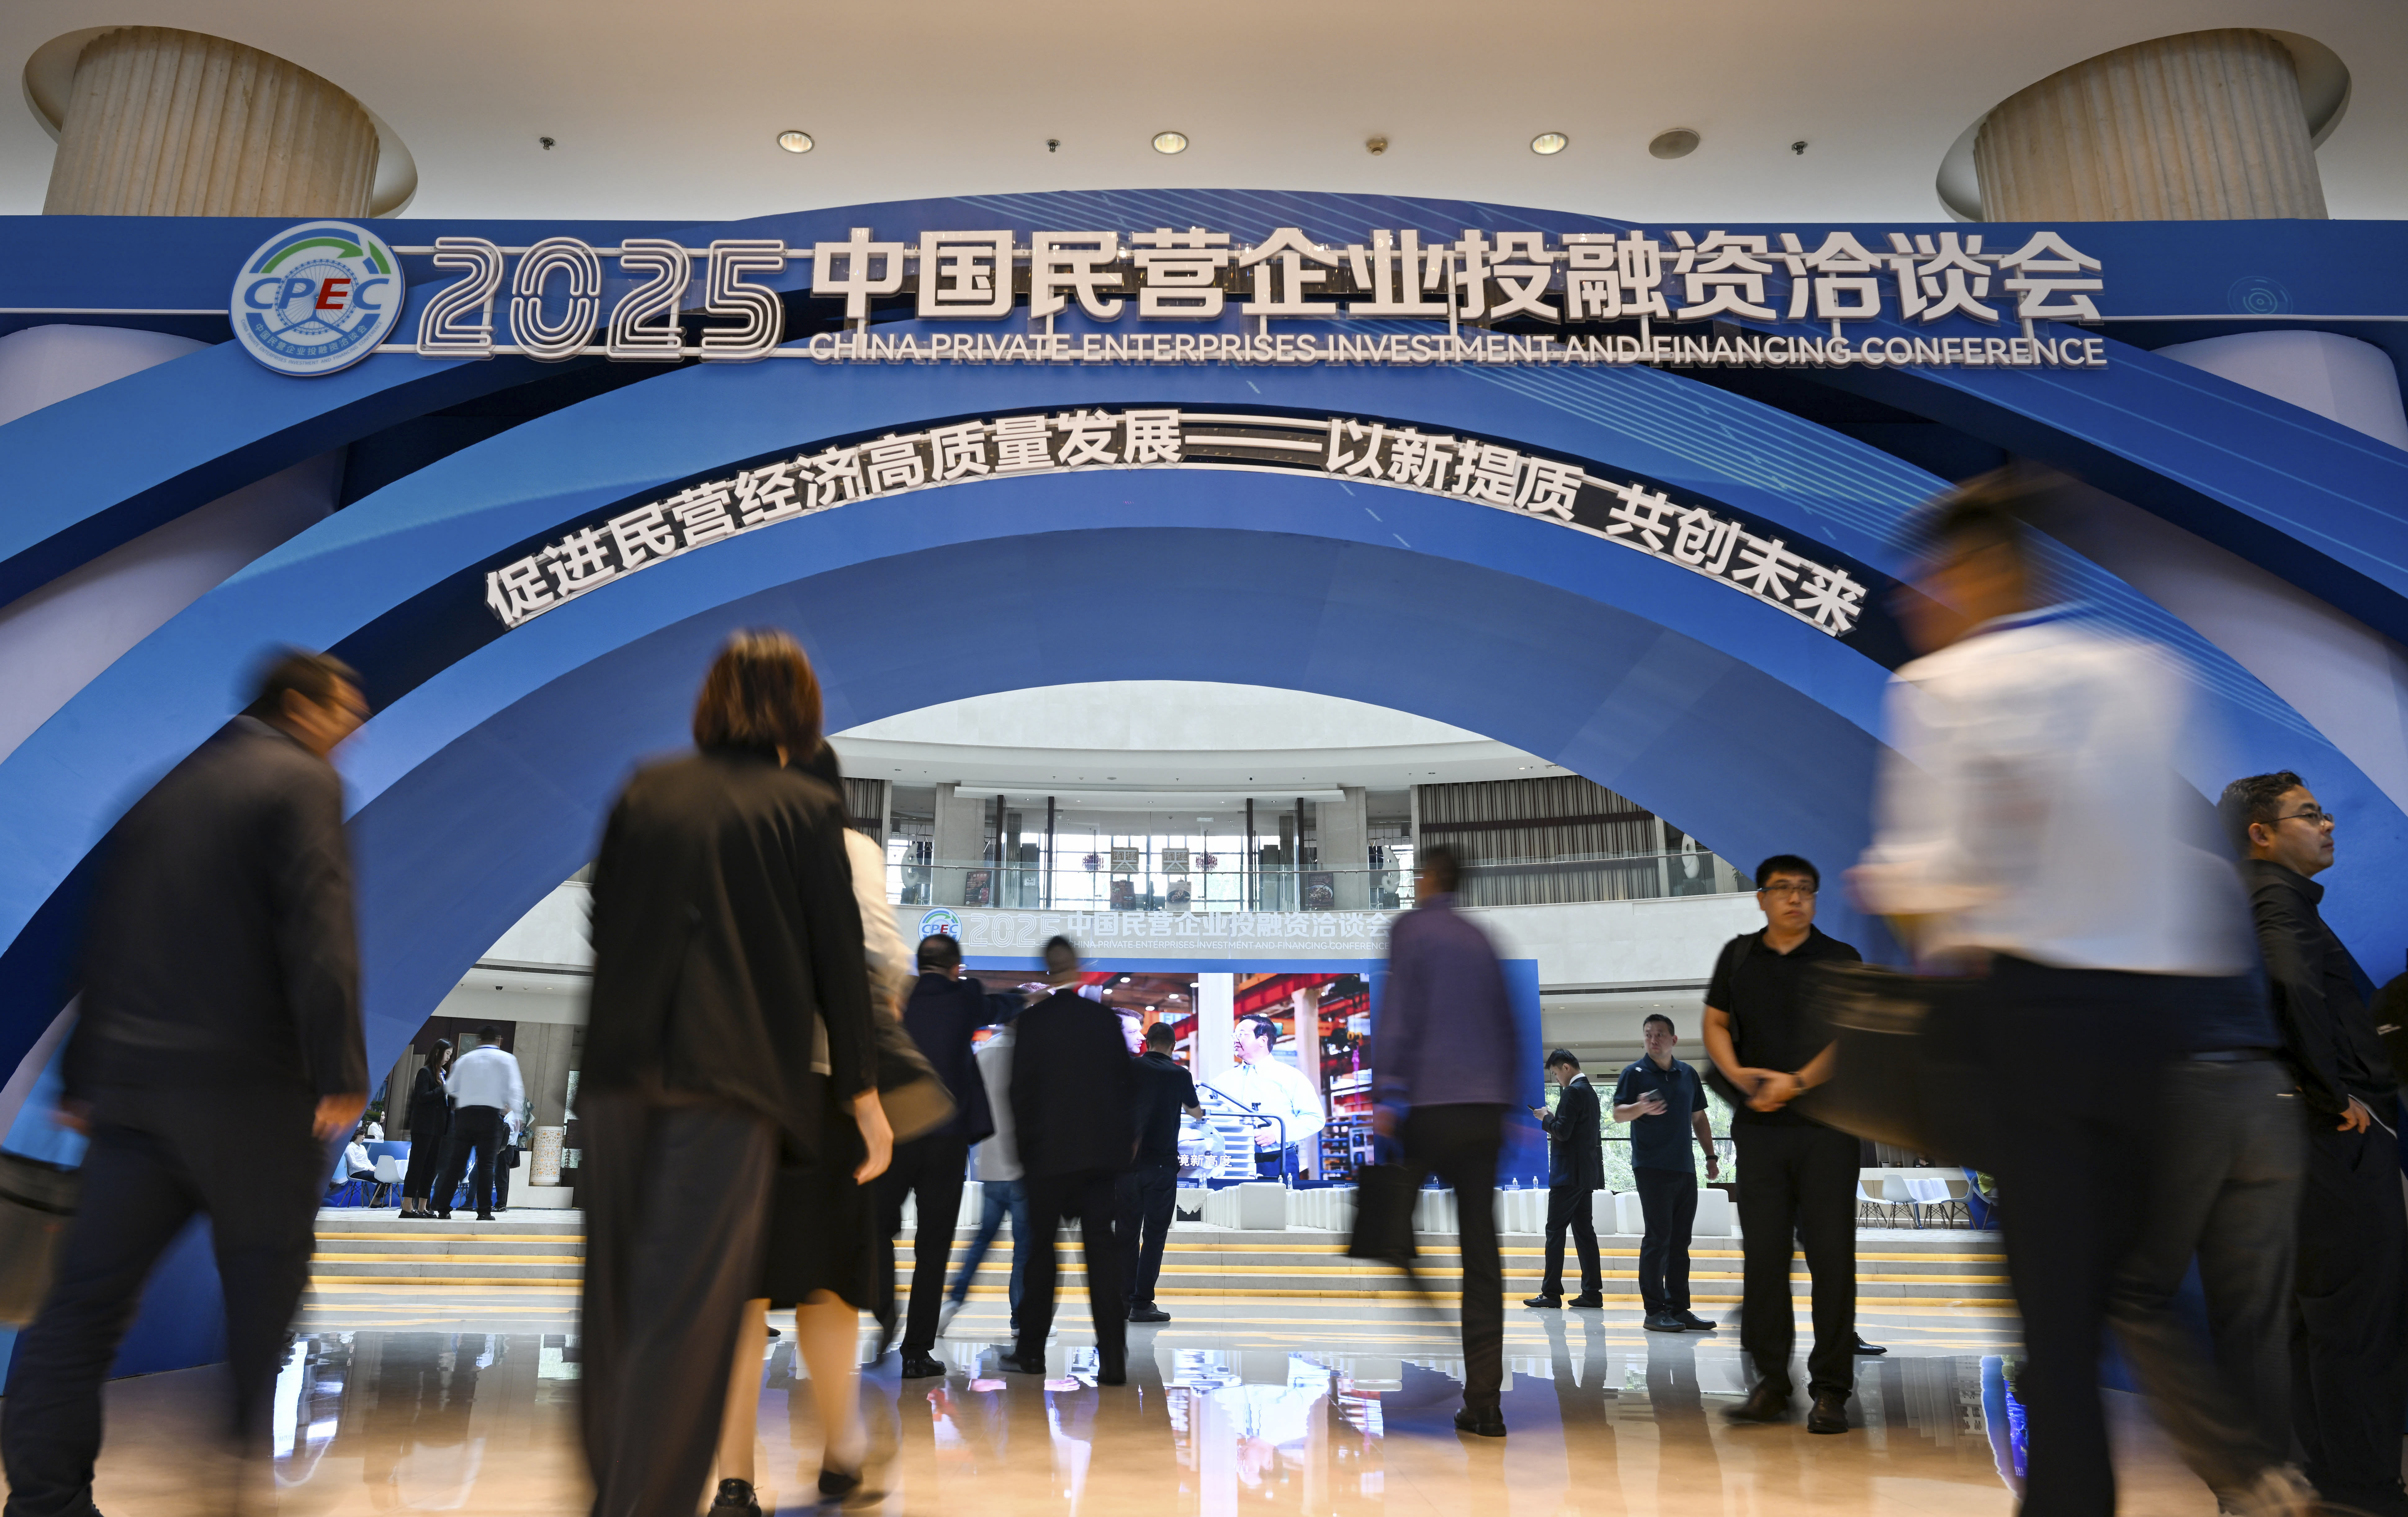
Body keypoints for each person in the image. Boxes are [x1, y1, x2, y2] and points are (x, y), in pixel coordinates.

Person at [1850, 476, 2260, 1517]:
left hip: (2032, 1023)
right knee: (2132, 1284)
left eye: (1934, 576)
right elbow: (2188, 873)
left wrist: (1888, 884)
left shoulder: (1947, 686)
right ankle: (2255, 1469)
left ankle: (2075, 1498)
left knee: (2056, 1312)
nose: (1920, 599)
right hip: (2157, 1025)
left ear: (1985, 567)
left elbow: (1943, 869)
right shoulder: (2146, 675)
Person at [1, 649, 371, 1516]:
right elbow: (318, 925)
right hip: (250, 1092)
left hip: (133, 1094)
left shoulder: (164, 790)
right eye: (344, 709)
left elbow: (100, 935)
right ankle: (233, 1488)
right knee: (263, 1294)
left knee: (82, 1306)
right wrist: (340, 1067)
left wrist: (84, 1076)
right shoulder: (301, 782)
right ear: (300, 707)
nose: (352, 727)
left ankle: (46, 1498)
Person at [579, 630, 887, 1517]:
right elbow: (841, 961)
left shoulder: (646, 787)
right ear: (800, 710)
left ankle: (618, 1493)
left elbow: (606, 925)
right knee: (699, 1315)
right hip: (729, 1085)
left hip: (618, 1082)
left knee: (618, 1316)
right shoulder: (803, 808)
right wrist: (864, 1093)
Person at [717, 738, 919, 1515]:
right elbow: (880, 959)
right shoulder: (850, 850)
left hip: (730, 1086)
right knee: (827, 1279)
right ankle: (839, 1453)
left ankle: (735, 1479)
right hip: (824, 1084)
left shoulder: (726, 834)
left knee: (738, 1288)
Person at [2221, 771, 2400, 1516]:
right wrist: (2332, 1094)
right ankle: (2364, 1485)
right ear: (2260, 833)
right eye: (2308, 814)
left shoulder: (2252, 898)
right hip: (2331, 1141)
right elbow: (2293, 988)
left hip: (2289, 1138)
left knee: (2317, 1318)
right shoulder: (2275, 899)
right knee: (2354, 1319)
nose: (2327, 824)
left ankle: (2334, 1474)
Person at [1700, 854, 1862, 1435]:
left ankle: (1832, 1390)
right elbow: (1715, 1023)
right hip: (1760, 1131)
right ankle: (1771, 1383)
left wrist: (1794, 1083)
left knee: (1831, 1260)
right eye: (1784, 888)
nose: (1796, 898)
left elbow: (1851, 1037)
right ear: (1762, 898)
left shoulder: (1840, 959)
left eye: (1806, 889)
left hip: (1828, 1130)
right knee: (1765, 1259)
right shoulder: (1739, 957)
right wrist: (1742, 1077)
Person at [1371, 843, 1525, 1438]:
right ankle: (1485, 1402)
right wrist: (1509, 1106)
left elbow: (1399, 1012)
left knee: (1389, 1220)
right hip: (1484, 1113)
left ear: (1429, 878)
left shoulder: (1411, 930)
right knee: (1481, 1251)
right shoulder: (1482, 938)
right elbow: (1507, 1024)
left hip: (1430, 1107)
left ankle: (1426, 1310)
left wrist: (1386, 1092)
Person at [875, 933, 1011, 1378]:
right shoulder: (965, 996)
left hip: (895, 1134)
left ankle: (883, 1310)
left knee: (877, 1229)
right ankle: (917, 1352)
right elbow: (997, 1007)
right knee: (933, 1248)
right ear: (957, 968)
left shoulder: (898, 998)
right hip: (947, 1139)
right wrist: (1026, 998)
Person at [1003, 937, 1138, 1385]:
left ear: (1047, 970)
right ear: (1078, 969)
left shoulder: (1033, 1022)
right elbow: (1125, 1086)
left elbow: (1019, 1091)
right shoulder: (1102, 1020)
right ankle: (1113, 1358)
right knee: (1101, 1253)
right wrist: (1123, 1149)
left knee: (1042, 1253)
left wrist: (1024, 1152)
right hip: (1099, 1159)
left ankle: (1032, 1352)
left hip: (1047, 1158)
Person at [1611, 1015, 1720, 1334]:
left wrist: (1711, 1157)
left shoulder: (1688, 1074)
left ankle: (1678, 1308)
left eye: (1659, 1034)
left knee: (1680, 1241)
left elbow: (1698, 1118)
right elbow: (1618, 1114)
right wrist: (1641, 1108)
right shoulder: (1634, 1074)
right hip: (1651, 1167)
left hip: (1684, 1167)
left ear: (1673, 1040)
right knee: (1658, 1238)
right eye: (1648, 1034)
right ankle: (1654, 1311)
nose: (1653, 1040)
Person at [941, 1003, 1031, 1340]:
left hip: (990, 1165)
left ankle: (954, 1298)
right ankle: (1020, 1318)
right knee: (1025, 1249)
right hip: (1022, 1166)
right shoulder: (1027, 1055)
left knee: (981, 1240)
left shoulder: (984, 1053)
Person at [1121, 1021, 1204, 1323]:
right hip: (1162, 1166)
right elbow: (1196, 1112)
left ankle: (1123, 1301)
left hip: (1127, 1166)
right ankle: (1142, 1304)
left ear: (1147, 1043)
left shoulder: (1129, 1068)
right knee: (1154, 1236)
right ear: (1173, 1046)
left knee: (1127, 1234)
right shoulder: (1179, 1075)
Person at [1523, 1050, 1603, 1310]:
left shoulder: (1573, 1093)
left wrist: (1546, 1118)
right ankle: (1592, 1292)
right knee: (1585, 1233)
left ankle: (1551, 1293)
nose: (1557, 1079)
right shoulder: (1590, 1092)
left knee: (1555, 1231)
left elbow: (1562, 1132)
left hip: (1568, 1175)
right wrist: (1552, 1118)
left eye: (1556, 1073)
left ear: (1566, 1068)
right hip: (1585, 1174)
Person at [431, 1027, 524, 1221]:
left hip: (465, 1117)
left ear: (478, 1041)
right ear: (499, 1041)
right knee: (487, 1166)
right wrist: (517, 1114)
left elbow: (450, 1088)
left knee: (456, 1164)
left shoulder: (465, 1060)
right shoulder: (507, 1059)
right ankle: (484, 1212)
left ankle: (444, 1209)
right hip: (490, 1117)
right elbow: (515, 1089)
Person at [1221, 1014, 1325, 1179]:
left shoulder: (1291, 1077)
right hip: (1234, 1161)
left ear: (1263, 1040)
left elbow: (1314, 1118)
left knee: (1281, 1197)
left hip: (1278, 1161)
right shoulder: (1223, 1081)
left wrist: (1277, 1134)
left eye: (1242, 1034)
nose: (1236, 1039)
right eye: (1235, 1035)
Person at [399, 1038, 455, 1218]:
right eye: (447, 1054)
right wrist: (444, 1089)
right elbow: (422, 1097)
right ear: (438, 1052)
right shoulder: (426, 1072)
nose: (449, 1058)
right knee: (417, 1166)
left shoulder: (444, 1075)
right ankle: (407, 1207)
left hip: (439, 1129)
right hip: (424, 1128)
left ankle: (423, 1207)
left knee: (431, 1168)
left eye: (451, 1055)